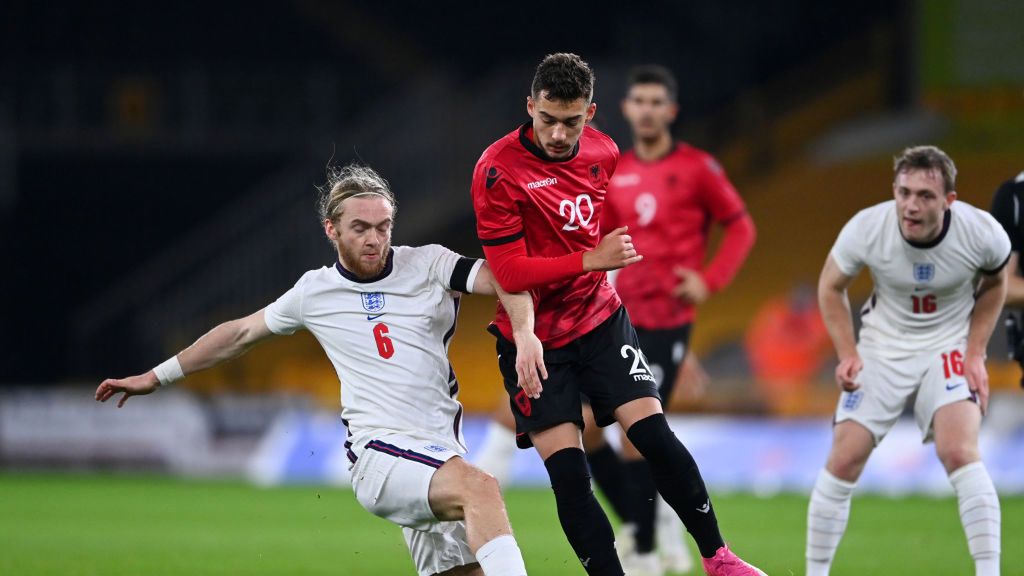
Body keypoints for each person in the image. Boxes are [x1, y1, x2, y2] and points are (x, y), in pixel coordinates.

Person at [94, 164, 544, 576]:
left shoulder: (428, 264)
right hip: (382, 457)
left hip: (441, 453)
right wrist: (156, 376)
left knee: (465, 572)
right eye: (361, 228)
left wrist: (528, 327)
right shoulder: (315, 292)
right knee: (481, 488)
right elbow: (238, 334)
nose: (375, 239)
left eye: (384, 227)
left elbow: (506, 276)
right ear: (332, 229)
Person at [471, 52, 764, 576]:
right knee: (569, 474)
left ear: (592, 113)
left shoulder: (604, 152)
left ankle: (719, 559)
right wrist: (588, 263)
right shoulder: (497, 172)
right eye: (549, 120)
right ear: (530, 106)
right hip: (536, 339)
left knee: (651, 435)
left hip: (601, 319)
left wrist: (609, 269)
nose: (560, 134)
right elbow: (509, 272)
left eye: (572, 121)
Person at [806, 146, 1008, 576]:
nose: (911, 205)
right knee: (844, 457)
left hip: (948, 345)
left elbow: (995, 283)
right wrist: (848, 353)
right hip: (882, 346)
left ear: (949, 200)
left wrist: (975, 353)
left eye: (925, 196)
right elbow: (830, 287)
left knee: (959, 451)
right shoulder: (867, 228)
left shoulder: (983, 233)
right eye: (904, 192)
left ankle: (989, 572)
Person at [588, 64, 756, 575]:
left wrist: (710, 280)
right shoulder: (615, 172)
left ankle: (641, 547)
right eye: (639, 101)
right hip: (615, 316)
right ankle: (652, 525)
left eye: (656, 102)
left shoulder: (699, 167)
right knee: (590, 433)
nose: (647, 110)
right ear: (627, 109)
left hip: (665, 321)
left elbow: (741, 226)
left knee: (638, 436)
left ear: (671, 111)